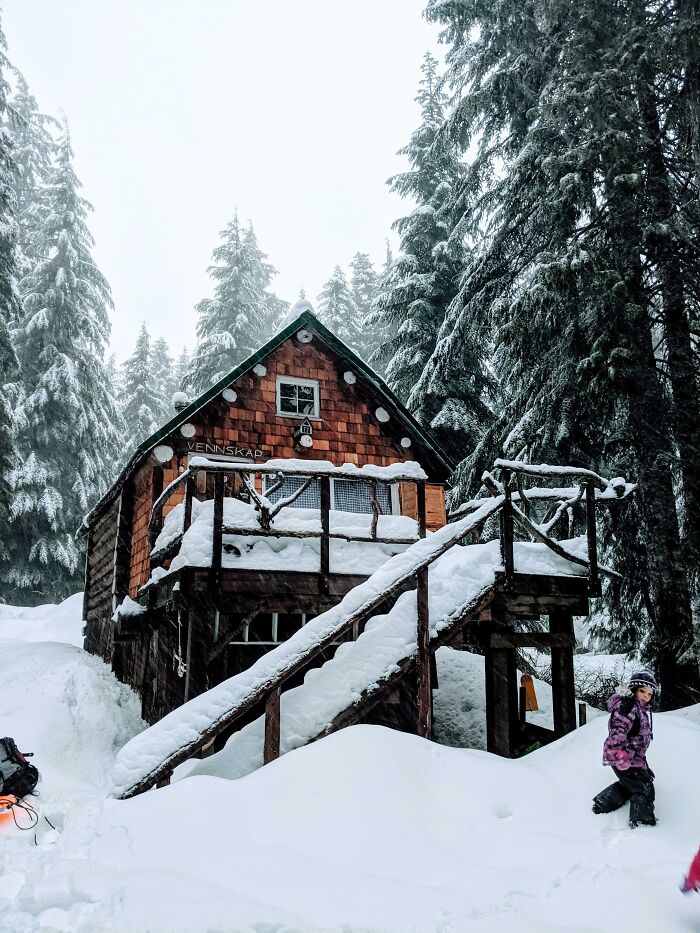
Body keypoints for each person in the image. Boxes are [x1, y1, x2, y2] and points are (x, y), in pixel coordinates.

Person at [592, 669, 657, 828]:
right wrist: (619, 753)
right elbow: (618, 731)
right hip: (623, 756)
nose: (646, 696)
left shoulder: (639, 709)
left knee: (631, 784)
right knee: (644, 788)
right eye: (642, 691)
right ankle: (642, 822)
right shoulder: (628, 707)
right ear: (634, 689)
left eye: (649, 694)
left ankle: (603, 803)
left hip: (633, 757)